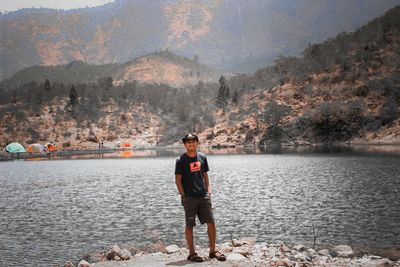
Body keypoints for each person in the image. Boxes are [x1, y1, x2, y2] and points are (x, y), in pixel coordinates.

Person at [175, 133, 226, 262]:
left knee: (211, 223)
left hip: (203, 197)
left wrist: (208, 191)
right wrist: (183, 196)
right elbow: (178, 180)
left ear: (197, 143)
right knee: (190, 225)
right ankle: (192, 253)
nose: (191, 144)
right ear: (185, 144)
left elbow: (205, 176)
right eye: (188, 142)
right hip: (190, 198)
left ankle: (213, 251)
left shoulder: (202, 157)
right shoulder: (181, 160)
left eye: (193, 141)